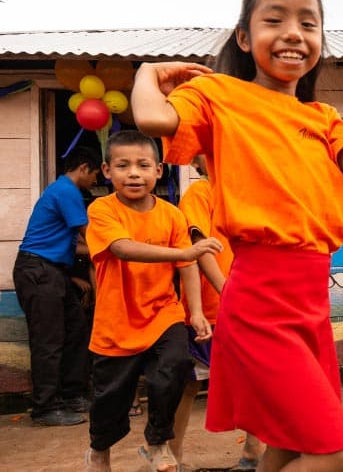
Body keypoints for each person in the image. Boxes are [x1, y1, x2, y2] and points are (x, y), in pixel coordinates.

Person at [131, 0, 343, 472]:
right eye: (275, 20)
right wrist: (147, 72)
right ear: (244, 36)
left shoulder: (322, 117)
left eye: (308, 22)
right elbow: (152, 119)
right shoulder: (220, 96)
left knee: (289, 444)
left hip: (311, 298)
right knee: (340, 456)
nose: (294, 33)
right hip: (259, 298)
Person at [84, 131, 220, 472]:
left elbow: (187, 266)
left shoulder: (172, 215)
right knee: (110, 399)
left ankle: (158, 441)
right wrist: (183, 251)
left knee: (175, 368)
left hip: (164, 313)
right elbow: (121, 247)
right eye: (123, 165)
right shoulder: (102, 210)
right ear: (106, 170)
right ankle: (100, 452)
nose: (134, 173)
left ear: (159, 171)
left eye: (143, 165)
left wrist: (198, 312)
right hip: (116, 320)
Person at [170, 155, 263, 469]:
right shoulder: (201, 193)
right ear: (200, 161)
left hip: (247, 306)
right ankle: (172, 455)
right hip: (210, 308)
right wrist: (227, 291)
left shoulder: (249, 195)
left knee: (255, 380)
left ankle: (254, 450)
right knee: (188, 384)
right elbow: (198, 246)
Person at [12, 146, 100, 426]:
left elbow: (72, 244)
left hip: (50, 271)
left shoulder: (60, 191)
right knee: (48, 340)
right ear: (84, 168)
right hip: (38, 270)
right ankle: (45, 407)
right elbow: (92, 238)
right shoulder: (67, 191)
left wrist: (72, 276)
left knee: (75, 330)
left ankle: (73, 394)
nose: (96, 181)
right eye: (96, 174)